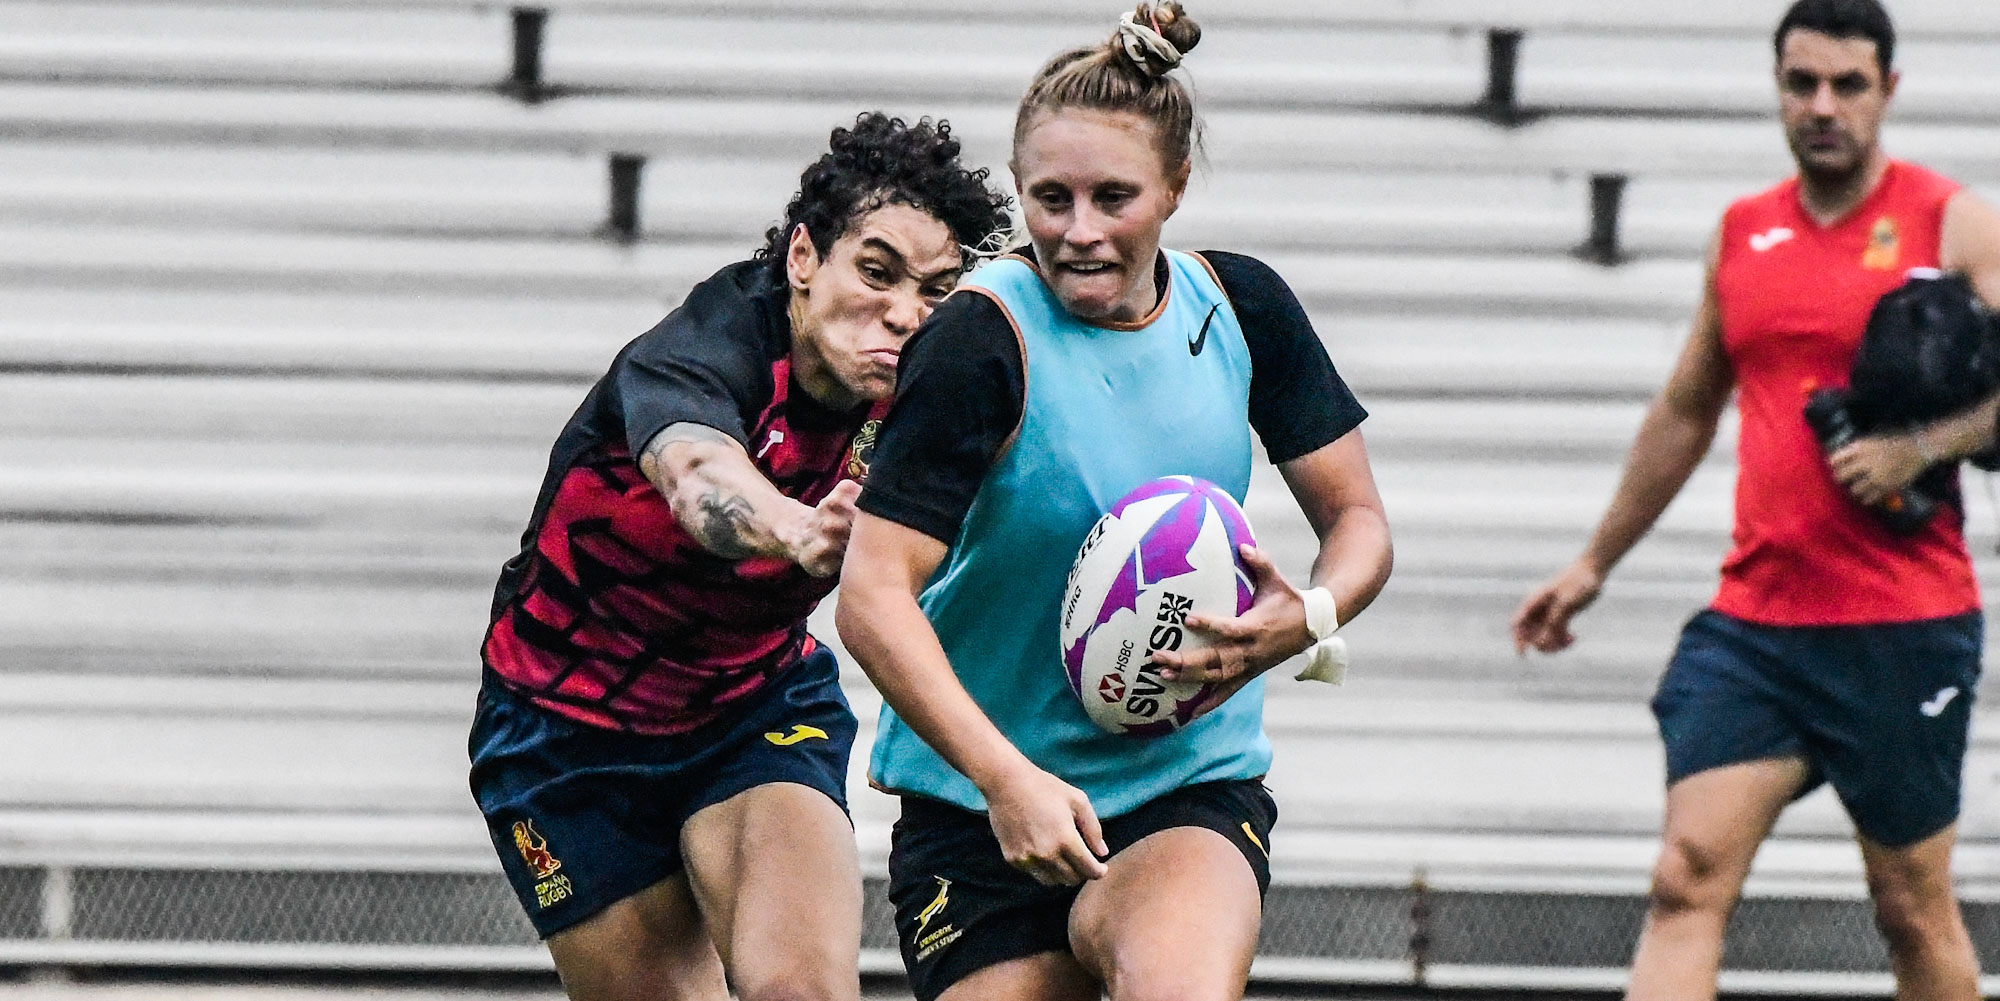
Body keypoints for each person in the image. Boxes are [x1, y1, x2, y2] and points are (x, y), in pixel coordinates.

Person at [835, 6, 1394, 999]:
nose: (1077, 230)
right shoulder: (976, 345)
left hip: (1179, 788)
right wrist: (1006, 780)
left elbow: (1357, 524)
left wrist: (1302, 620)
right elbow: (871, 596)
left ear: (1174, 188)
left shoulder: (1242, 309)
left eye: (1112, 197)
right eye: (1049, 198)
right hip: (979, 812)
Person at [1511, 2, 2000, 998]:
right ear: (1776, 86)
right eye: (1800, 83)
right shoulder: (1742, 231)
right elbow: (1686, 410)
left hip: (1900, 624)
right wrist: (1591, 561)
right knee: (1681, 876)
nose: (1821, 106)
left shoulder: (1950, 220)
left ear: (1886, 92)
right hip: (1756, 627)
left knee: (1909, 906)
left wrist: (1918, 448)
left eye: (1846, 85)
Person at [467, 113, 1011, 1001]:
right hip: (560, 735)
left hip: (750, 709)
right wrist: (796, 529)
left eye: (933, 290)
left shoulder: (924, 380)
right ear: (805, 257)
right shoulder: (702, 348)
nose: (905, 313)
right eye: (876, 272)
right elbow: (701, 483)